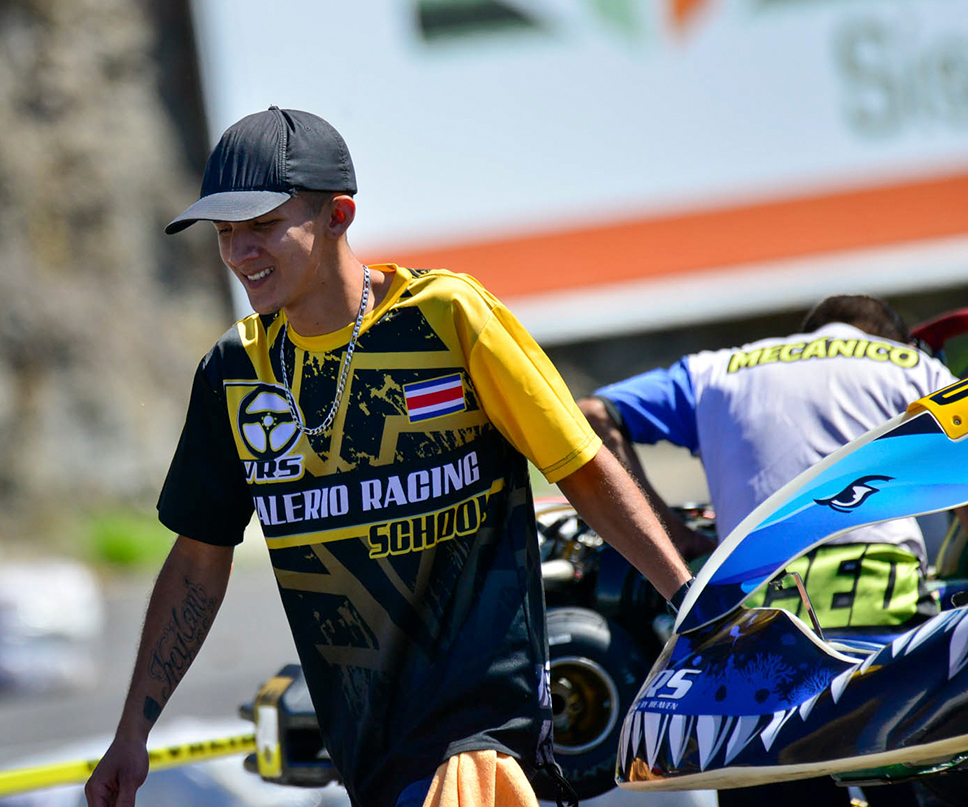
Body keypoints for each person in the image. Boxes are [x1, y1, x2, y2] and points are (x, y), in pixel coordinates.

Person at [85, 106, 692, 807]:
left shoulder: (448, 317)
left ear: (338, 215)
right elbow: (197, 559)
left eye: (262, 225)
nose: (240, 251)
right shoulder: (234, 370)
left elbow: (580, 468)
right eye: (224, 232)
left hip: (484, 736)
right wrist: (132, 734)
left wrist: (689, 606)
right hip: (370, 750)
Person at [577, 294, 962, 807]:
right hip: (884, 618)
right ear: (889, 336)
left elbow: (592, 414)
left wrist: (671, 533)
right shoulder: (913, 365)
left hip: (758, 634)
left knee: (769, 784)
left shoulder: (715, 369)